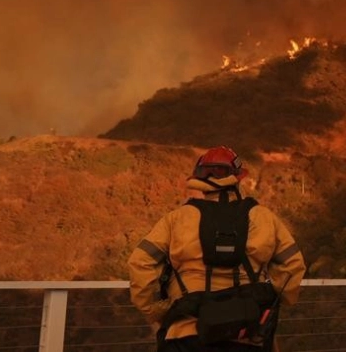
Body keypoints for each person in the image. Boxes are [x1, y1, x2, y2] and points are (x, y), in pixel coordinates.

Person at [128, 146, 306, 351]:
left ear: (201, 180)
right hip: (246, 333)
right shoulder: (263, 217)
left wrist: (156, 310)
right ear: (238, 178)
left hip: (185, 334)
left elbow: (140, 262)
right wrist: (272, 301)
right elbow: (293, 266)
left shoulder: (176, 220)